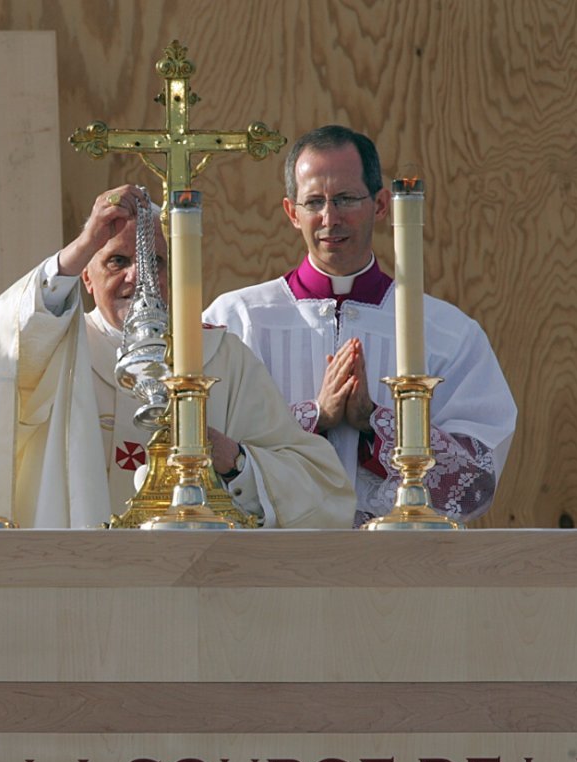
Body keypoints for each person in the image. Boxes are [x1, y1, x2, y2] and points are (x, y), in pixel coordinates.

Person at [0, 185, 355, 529]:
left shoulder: (222, 358)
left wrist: (235, 460)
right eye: (117, 261)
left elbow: (322, 489)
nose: (139, 277)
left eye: (155, 261)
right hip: (85, 579)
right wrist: (83, 244)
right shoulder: (59, 352)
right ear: (86, 278)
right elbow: (1, 344)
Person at [204, 125, 516, 526]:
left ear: (381, 205)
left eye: (347, 199)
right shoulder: (234, 321)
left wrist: (376, 423)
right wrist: (316, 416)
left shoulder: (447, 333)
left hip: (395, 567)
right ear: (291, 212)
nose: (329, 218)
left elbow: (476, 482)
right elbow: (200, 447)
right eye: (314, 201)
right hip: (270, 561)